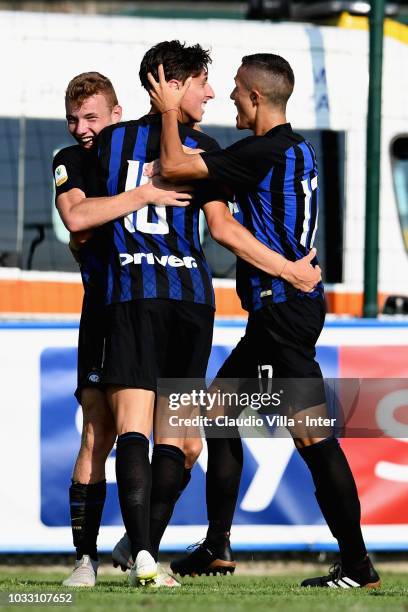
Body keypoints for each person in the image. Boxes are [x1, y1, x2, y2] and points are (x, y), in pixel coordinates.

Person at [147, 53, 381, 589]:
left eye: (235, 90)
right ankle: (217, 544)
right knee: (218, 411)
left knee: (312, 437)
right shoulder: (289, 148)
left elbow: (176, 168)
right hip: (279, 310)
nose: (227, 96)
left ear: (255, 98)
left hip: (284, 309)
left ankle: (358, 565)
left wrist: (165, 111)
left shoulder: (264, 150)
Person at [96, 41, 321, 587]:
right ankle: (155, 549)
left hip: (132, 295)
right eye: (203, 82)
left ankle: (141, 549)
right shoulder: (203, 145)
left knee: (160, 428)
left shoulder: (108, 143)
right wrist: (291, 270)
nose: (216, 94)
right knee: (192, 432)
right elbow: (218, 224)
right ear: (173, 85)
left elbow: (80, 221)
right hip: (192, 302)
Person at [53, 71, 192, 588]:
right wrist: (143, 195)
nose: (80, 128)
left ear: (117, 116)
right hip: (110, 311)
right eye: (73, 119)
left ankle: (140, 537)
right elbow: (79, 218)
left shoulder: (142, 149)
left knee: (189, 444)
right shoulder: (71, 162)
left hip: (167, 309)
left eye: (91, 117)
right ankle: (84, 560)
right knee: (99, 431)